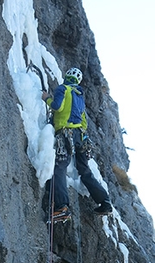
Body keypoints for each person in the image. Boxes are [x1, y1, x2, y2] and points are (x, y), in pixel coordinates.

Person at [42, 67, 112, 223]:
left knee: (60, 167)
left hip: (66, 133)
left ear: (67, 76)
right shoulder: (80, 96)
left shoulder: (63, 88)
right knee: (84, 170)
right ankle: (104, 201)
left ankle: (61, 207)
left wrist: (46, 98)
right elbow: (84, 121)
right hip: (80, 135)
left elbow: (57, 106)